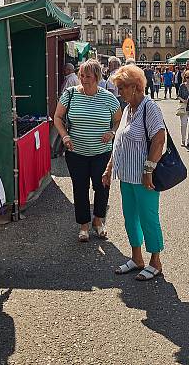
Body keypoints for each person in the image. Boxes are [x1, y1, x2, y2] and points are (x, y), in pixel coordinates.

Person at [103, 64, 166, 281]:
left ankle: (155, 261)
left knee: (149, 218)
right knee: (130, 218)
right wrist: (109, 167)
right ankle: (137, 258)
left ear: (136, 87)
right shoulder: (129, 109)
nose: (119, 92)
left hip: (143, 176)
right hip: (126, 176)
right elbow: (119, 142)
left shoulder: (149, 107)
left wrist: (149, 169)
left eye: (122, 87)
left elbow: (159, 140)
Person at [53, 59, 121, 242]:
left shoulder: (108, 97)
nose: (83, 79)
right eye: (81, 75)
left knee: (102, 187)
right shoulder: (70, 94)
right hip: (76, 153)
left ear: (97, 77)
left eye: (88, 76)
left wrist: (112, 132)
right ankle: (83, 226)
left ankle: (98, 221)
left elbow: (119, 121)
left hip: (102, 153)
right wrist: (65, 136)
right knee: (80, 188)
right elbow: (57, 117)